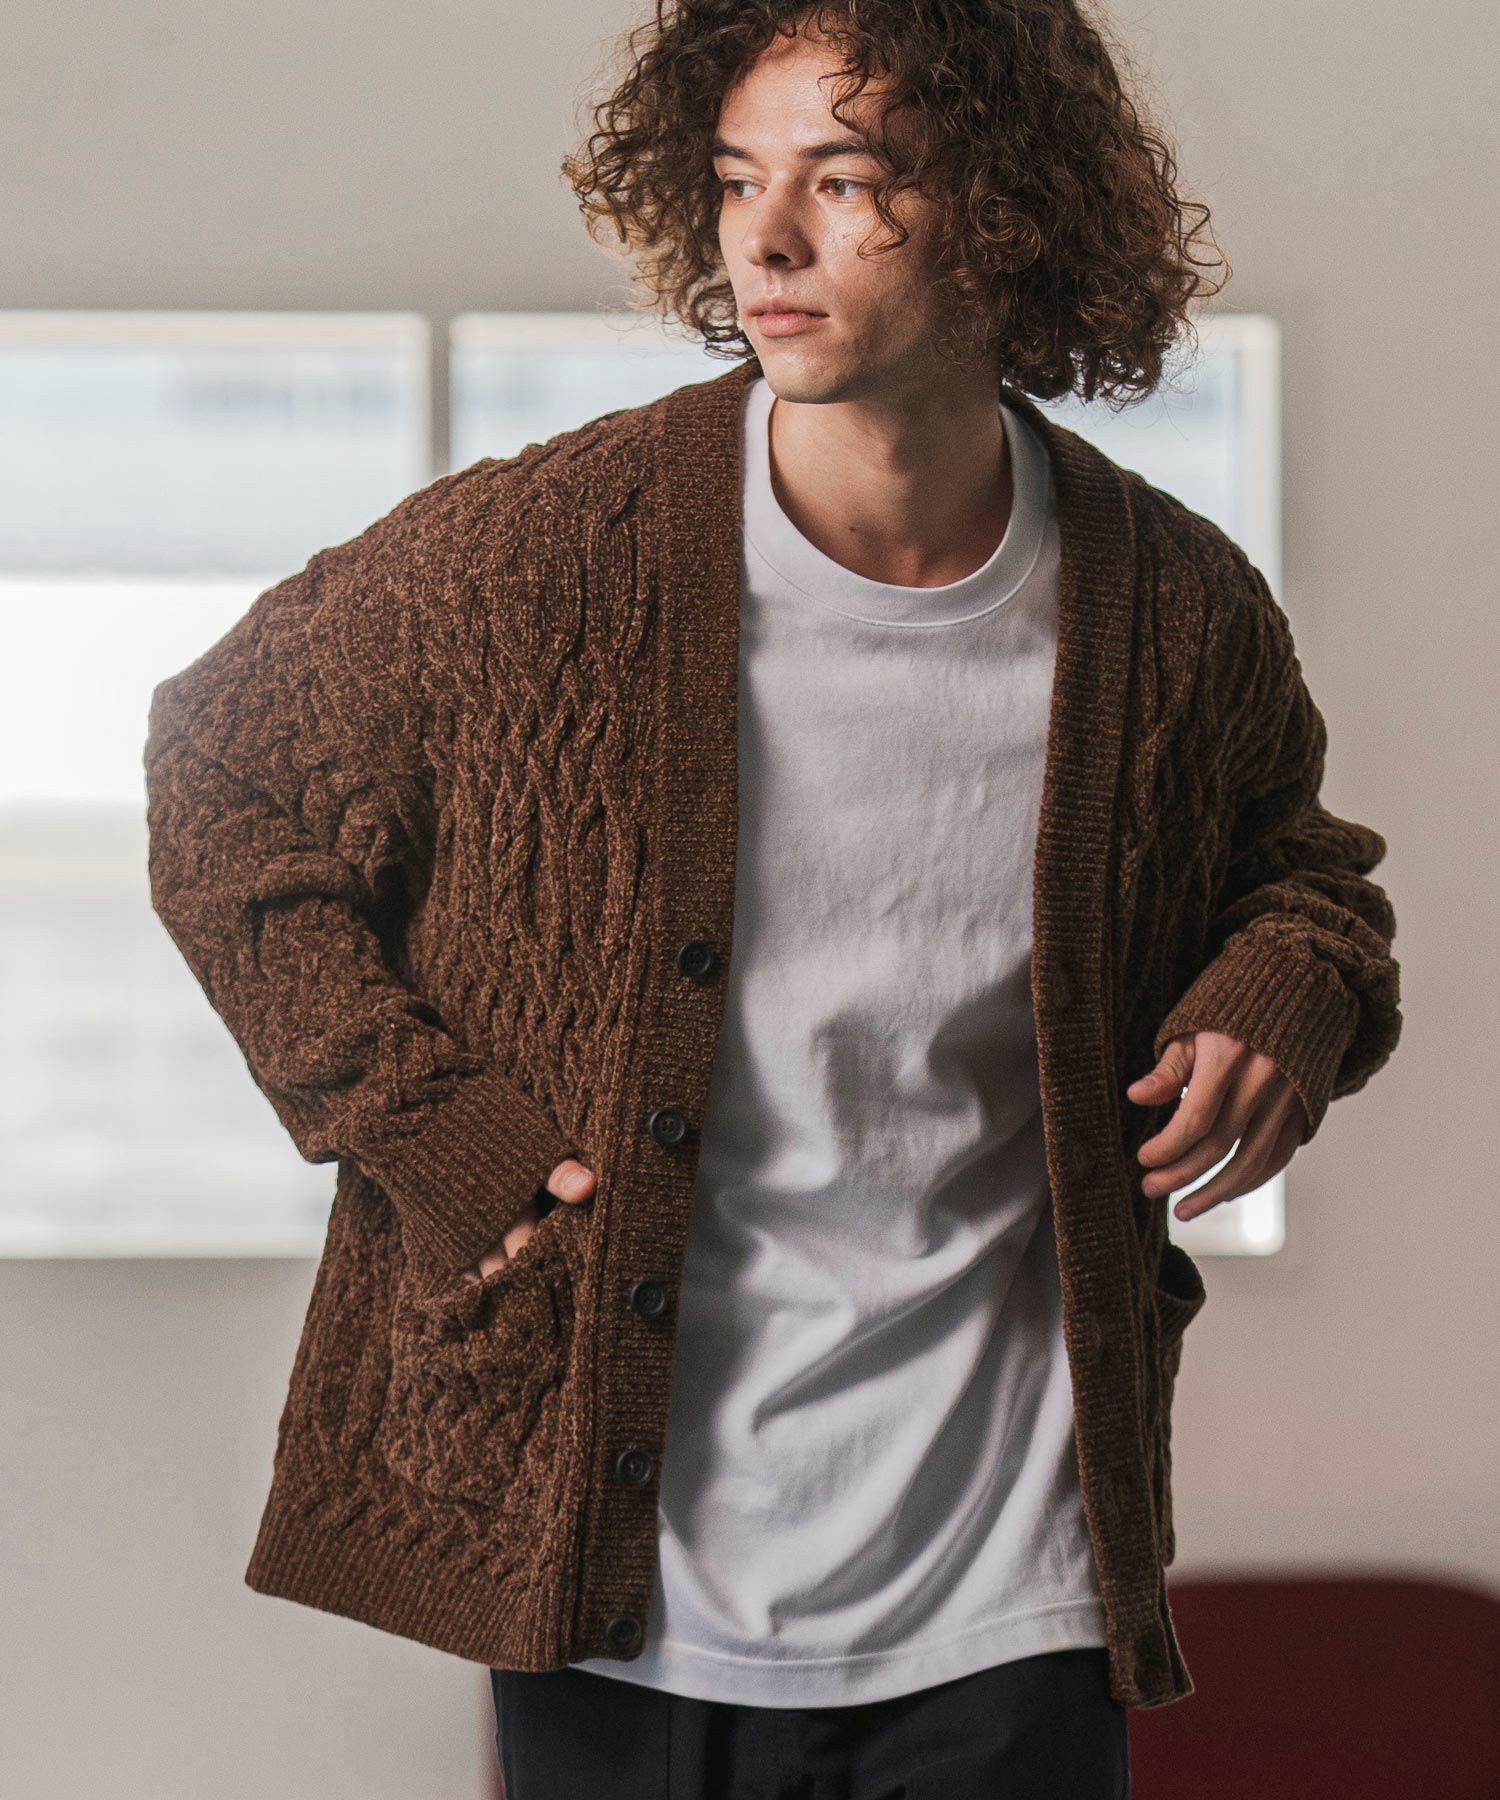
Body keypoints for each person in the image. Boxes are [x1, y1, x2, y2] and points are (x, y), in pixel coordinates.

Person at [143, 2, 1402, 1796]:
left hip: (1012, 1588)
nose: (768, 240)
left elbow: (1303, 874)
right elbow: (220, 772)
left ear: (1007, 210)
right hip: (632, 1591)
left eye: (846, 180)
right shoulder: (546, 558)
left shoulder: (1173, 609)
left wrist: (1286, 997)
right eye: (738, 181)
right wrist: (419, 1118)